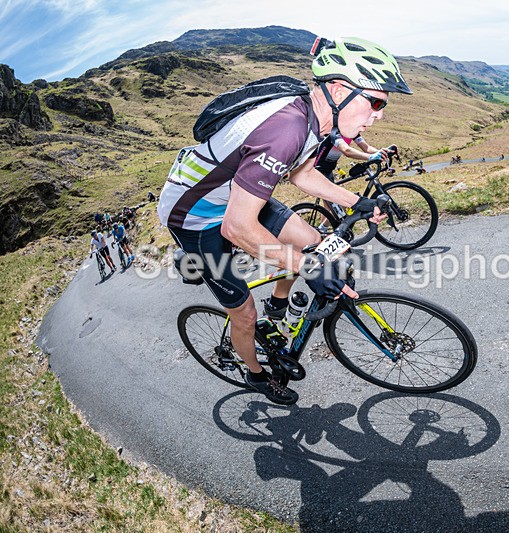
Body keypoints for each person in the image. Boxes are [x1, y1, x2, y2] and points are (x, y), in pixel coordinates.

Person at [157, 36, 411, 405]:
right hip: (196, 218)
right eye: (375, 102)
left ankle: (280, 303)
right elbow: (237, 228)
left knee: (314, 240)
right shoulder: (287, 129)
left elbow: (302, 176)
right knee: (244, 313)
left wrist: (357, 202)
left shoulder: (315, 121)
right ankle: (257, 375)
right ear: (339, 89)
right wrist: (311, 267)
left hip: (234, 196)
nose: (379, 114)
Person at [314, 133, 388, 218]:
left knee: (330, 209)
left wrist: (382, 152)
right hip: (318, 172)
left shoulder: (353, 131)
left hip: (328, 171)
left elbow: (366, 148)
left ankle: (324, 229)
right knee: (344, 203)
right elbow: (347, 151)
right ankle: (325, 228)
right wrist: (371, 157)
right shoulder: (335, 132)